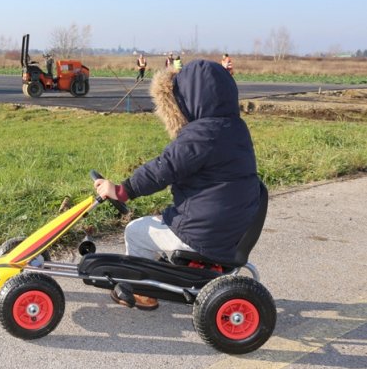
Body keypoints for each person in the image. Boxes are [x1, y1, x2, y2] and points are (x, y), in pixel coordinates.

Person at [94, 60, 259, 310]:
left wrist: (122, 190)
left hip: (202, 233)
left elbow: (164, 167)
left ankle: (141, 291)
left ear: (189, 100)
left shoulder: (200, 134)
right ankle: (170, 269)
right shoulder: (235, 128)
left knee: (136, 231)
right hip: (229, 230)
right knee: (163, 219)